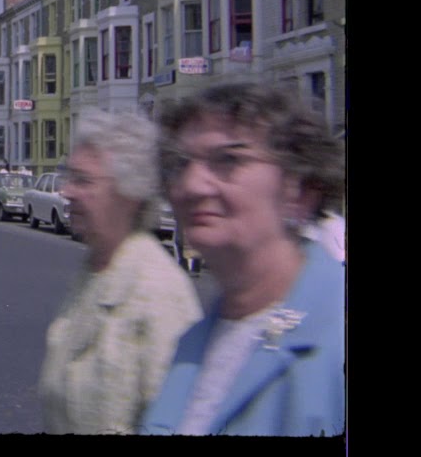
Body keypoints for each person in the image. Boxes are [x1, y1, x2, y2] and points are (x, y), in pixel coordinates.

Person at [142, 82, 345, 437]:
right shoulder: (195, 340)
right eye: (180, 164)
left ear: (299, 189)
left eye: (228, 160)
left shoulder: (334, 340)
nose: (192, 185)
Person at [38, 110, 203, 434]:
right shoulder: (96, 269)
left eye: (83, 180)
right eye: (69, 177)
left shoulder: (157, 291)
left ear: (129, 192)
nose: (67, 191)